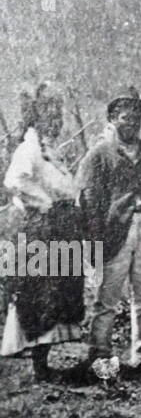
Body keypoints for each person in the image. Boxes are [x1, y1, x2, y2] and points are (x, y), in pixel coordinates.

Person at [76, 87, 141, 372]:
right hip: (114, 230)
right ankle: (100, 355)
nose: (132, 124)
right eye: (126, 118)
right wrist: (94, 241)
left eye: (137, 119)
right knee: (108, 296)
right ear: (114, 118)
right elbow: (90, 201)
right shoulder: (99, 155)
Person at [1, 83, 86, 381]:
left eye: (58, 114)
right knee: (40, 294)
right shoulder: (29, 149)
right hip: (41, 230)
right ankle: (39, 366)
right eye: (50, 114)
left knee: (56, 293)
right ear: (37, 117)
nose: (56, 120)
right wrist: (45, 203)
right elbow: (16, 181)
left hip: (59, 228)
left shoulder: (49, 151)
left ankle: (44, 362)